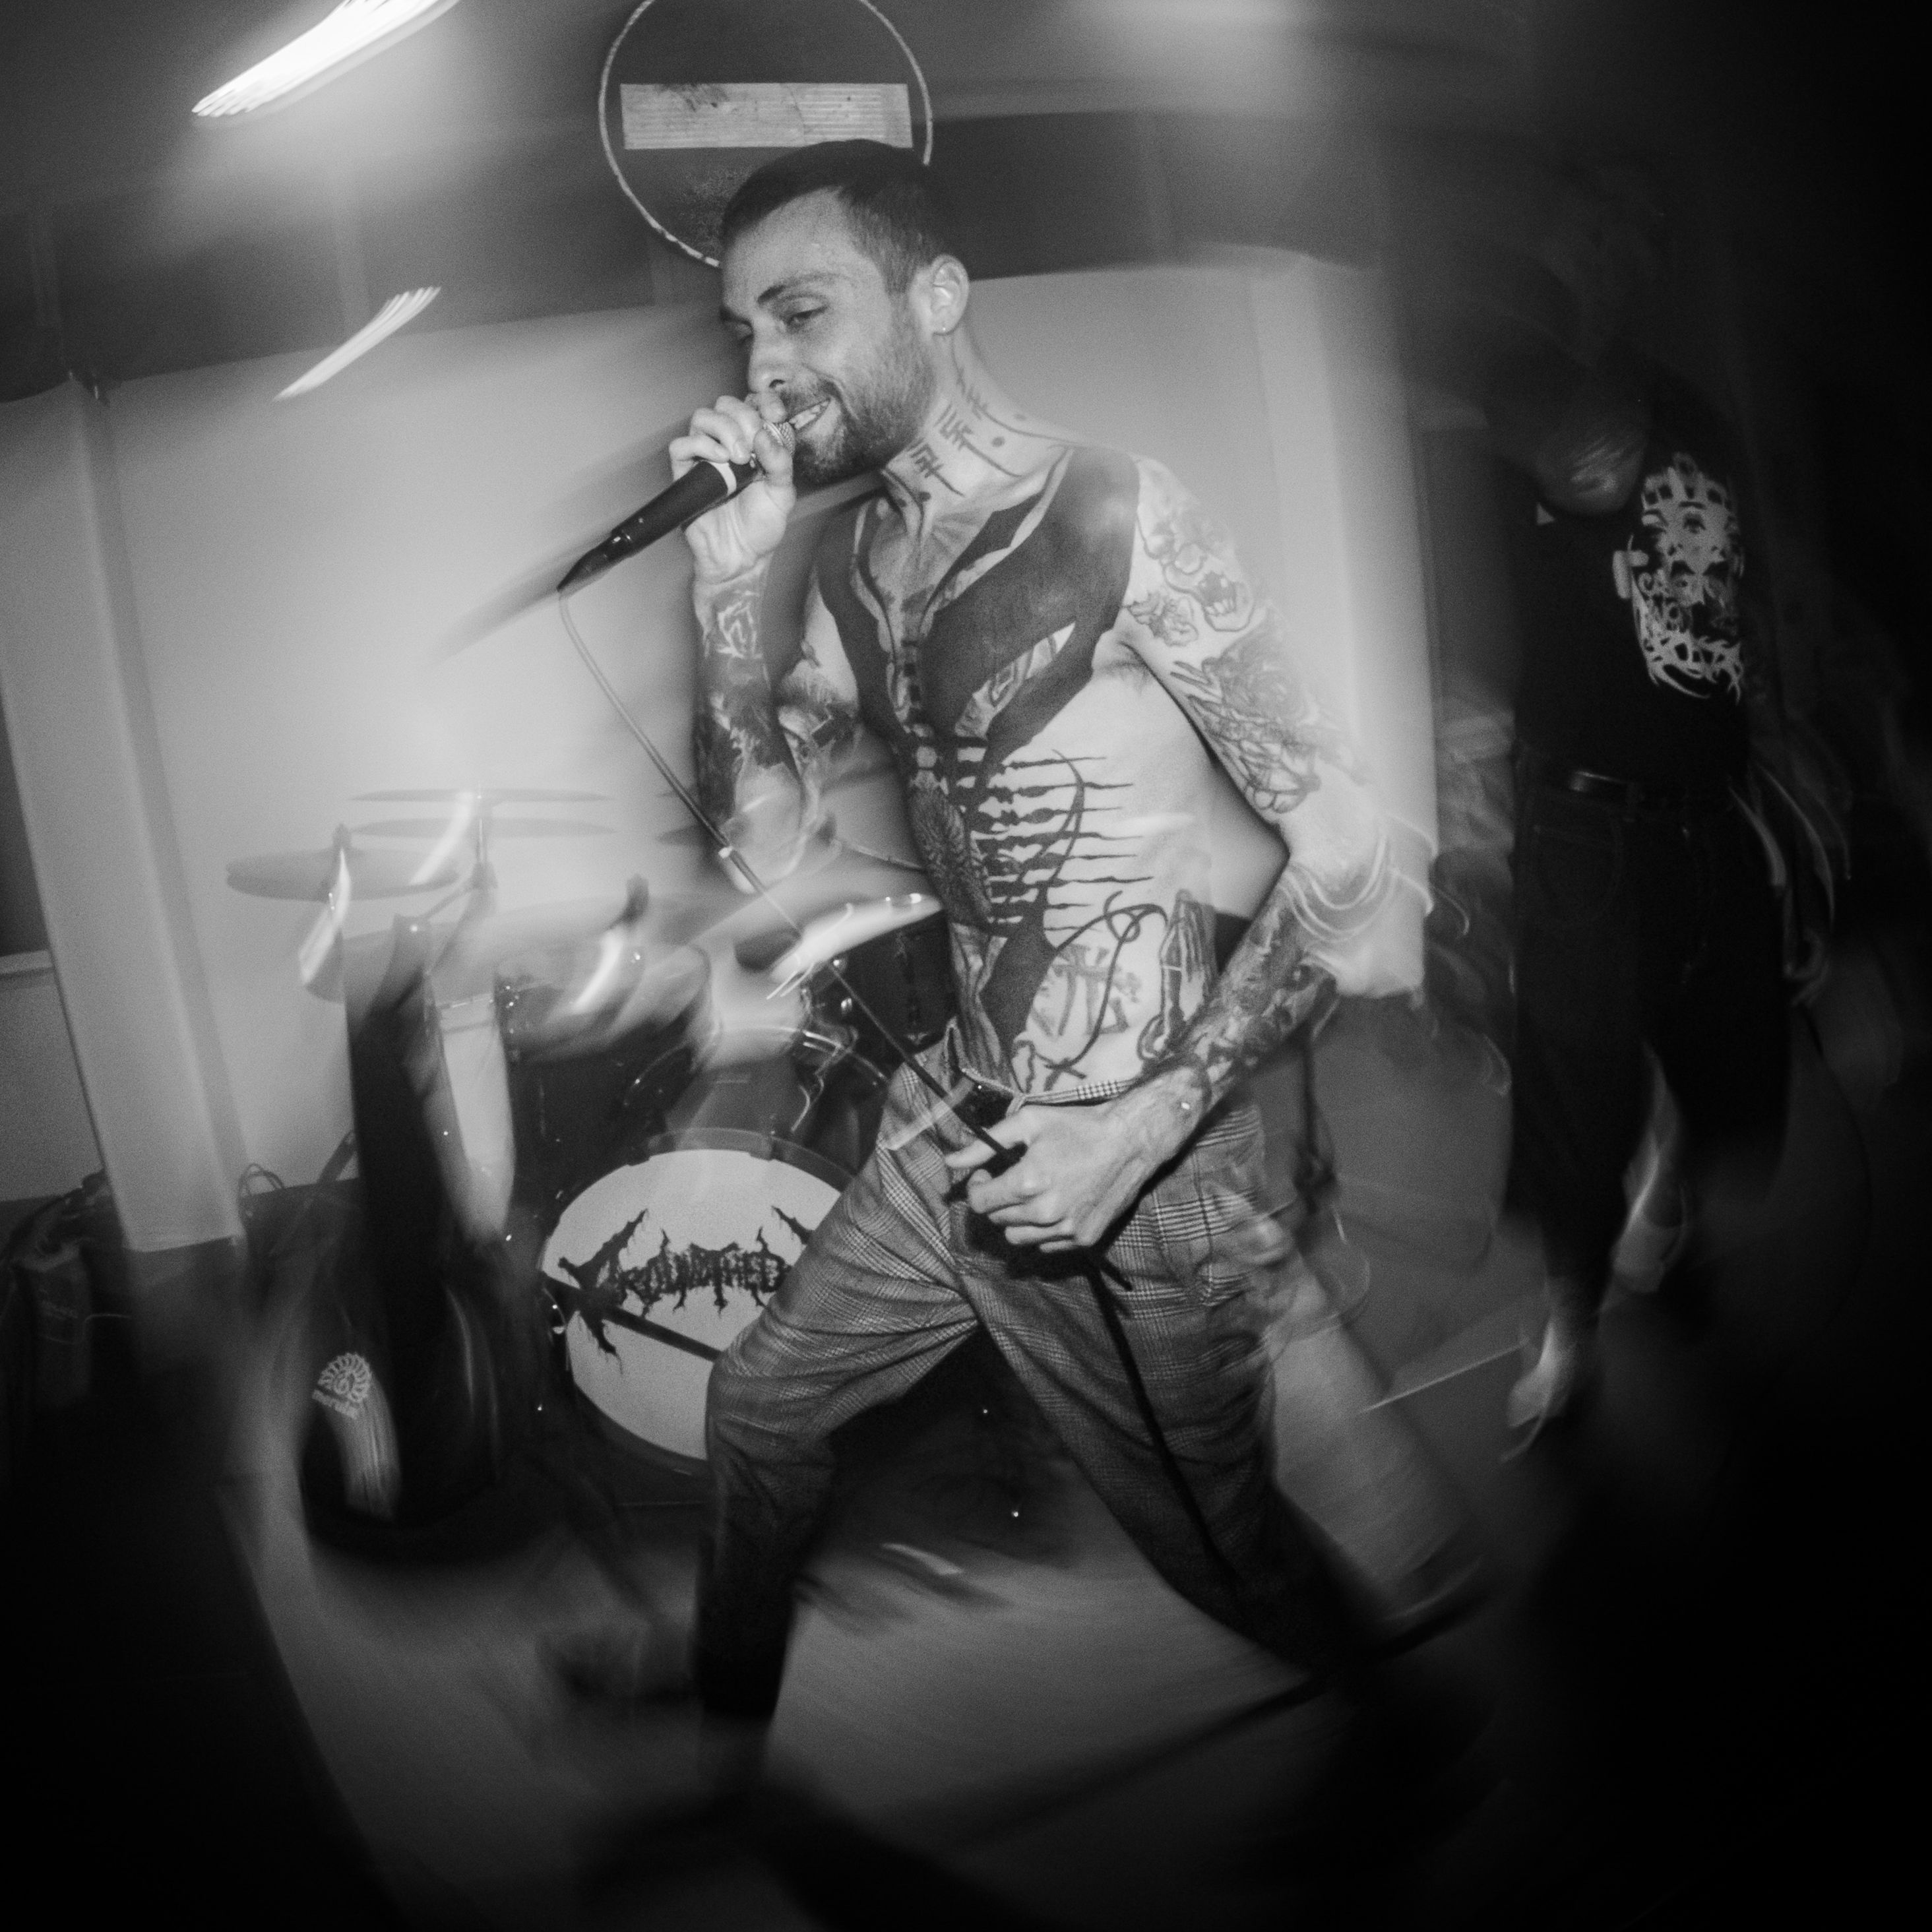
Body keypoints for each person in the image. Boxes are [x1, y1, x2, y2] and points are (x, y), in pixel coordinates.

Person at [669, 140, 1413, 1726]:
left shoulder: (1117, 512)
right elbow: (762, 846)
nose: (762, 368)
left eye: (800, 312)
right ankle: (720, 1732)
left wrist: (1133, 1133)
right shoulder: (852, 563)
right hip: (958, 1110)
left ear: (934, 295)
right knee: (757, 1405)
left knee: (1215, 1542)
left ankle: (1407, 1729)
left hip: (1147, 1152)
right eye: (742, 331)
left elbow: (1348, 853)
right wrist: (725, 598)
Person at [1489, 340, 1792, 1435]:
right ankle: (1570, 1334)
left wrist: (1784, 732)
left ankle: (1669, 1229)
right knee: (1578, 1110)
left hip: (1715, 810)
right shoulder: (1514, 390)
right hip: (1587, 830)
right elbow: (1572, 463)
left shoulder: (1695, 410)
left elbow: (1736, 592)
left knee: (1734, 1062)